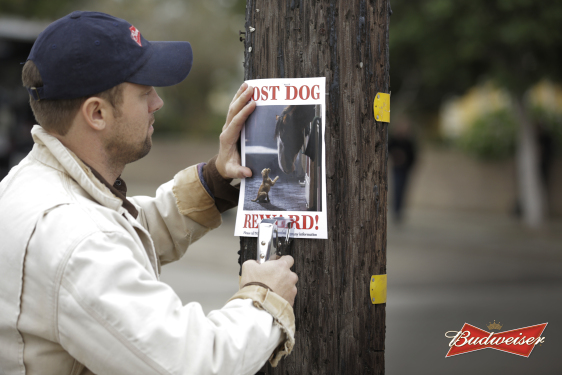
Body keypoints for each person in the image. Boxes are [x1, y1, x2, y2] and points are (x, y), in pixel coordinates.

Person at [0, 11, 298, 375]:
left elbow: (122, 230)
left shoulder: (33, 184)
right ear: (97, 113)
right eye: (144, 92)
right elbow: (193, 363)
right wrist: (264, 300)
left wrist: (214, 180)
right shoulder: (75, 240)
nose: (157, 103)